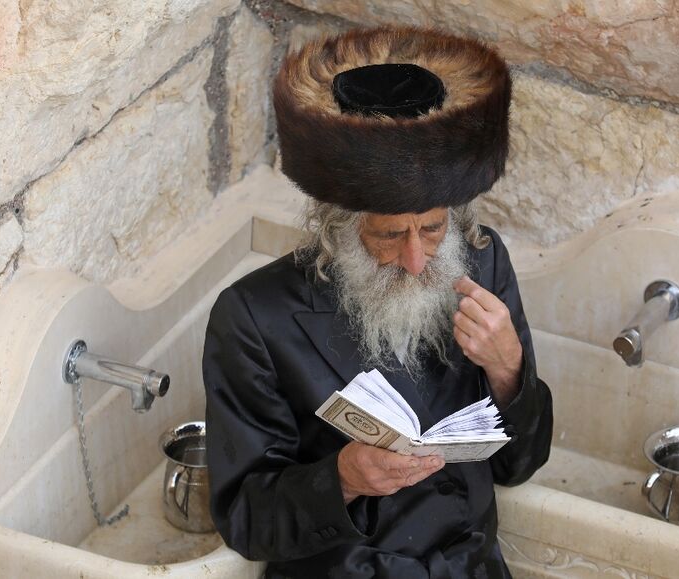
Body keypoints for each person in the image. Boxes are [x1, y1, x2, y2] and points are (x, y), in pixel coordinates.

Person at [202, 26, 553, 579]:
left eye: (433, 229)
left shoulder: (480, 263)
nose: (416, 260)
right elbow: (246, 519)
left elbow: (520, 465)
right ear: (337, 228)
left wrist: (509, 370)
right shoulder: (254, 317)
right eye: (388, 236)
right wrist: (340, 479)